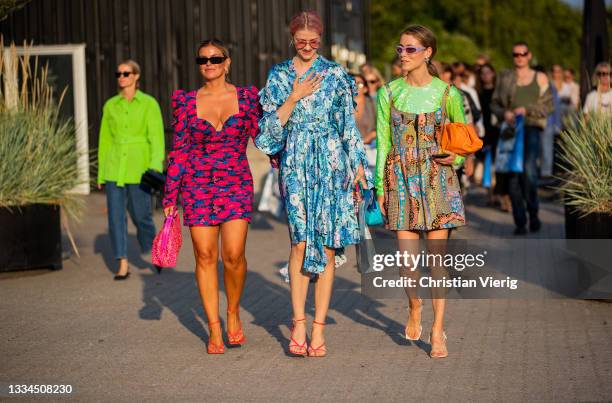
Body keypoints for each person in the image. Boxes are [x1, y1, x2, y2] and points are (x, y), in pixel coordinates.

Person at [255, 10, 370, 357]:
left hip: (332, 162)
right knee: (300, 243)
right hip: (296, 163)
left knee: (330, 244)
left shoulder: (335, 74)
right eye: (301, 41)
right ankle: (299, 322)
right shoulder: (278, 75)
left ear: (320, 40)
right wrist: (293, 96)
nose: (307, 47)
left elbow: (347, 126)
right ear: (292, 39)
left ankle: (319, 328)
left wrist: (358, 166)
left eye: (313, 42)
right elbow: (266, 134)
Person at [162, 39, 262, 354]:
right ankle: (214, 326)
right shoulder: (185, 101)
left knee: (233, 256)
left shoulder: (247, 98)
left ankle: (232, 311)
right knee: (205, 256)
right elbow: (178, 150)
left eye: (216, 58)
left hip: (235, 183)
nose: (209, 64)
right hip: (196, 186)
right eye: (203, 59)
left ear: (227, 62)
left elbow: (267, 137)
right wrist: (170, 195)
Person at [376, 25, 467, 359]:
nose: (403, 54)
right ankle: (414, 305)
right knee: (407, 261)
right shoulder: (389, 93)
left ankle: (438, 329)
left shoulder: (448, 94)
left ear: (428, 52)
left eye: (411, 49)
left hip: (437, 179)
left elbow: (463, 136)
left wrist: (456, 156)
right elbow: (383, 143)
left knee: (438, 261)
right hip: (399, 178)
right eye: (401, 48)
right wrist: (379, 187)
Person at [97, 59, 165, 280]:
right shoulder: (110, 106)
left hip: (140, 168)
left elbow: (156, 137)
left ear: (136, 76)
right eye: (118, 74)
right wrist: (100, 174)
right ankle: (122, 264)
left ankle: (154, 249)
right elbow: (104, 141)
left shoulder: (149, 104)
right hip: (113, 169)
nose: (121, 77)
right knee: (115, 218)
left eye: (126, 73)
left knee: (141, 216)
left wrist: (155, 167)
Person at [491, 41, 552, 235]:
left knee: (529, 172)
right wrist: (505, 113)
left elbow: (547, 107)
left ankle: (533, 213)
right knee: (513, 176)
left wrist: (527, 110)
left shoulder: (540, 77)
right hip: (510, 131)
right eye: (515, 54)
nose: (519, 57)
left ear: (529, 55)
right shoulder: (505, 77)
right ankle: (520, 220)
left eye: (523, 53)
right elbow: (494, 104)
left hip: (531, 128)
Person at [477, 63, 511, 211]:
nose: (486, 76)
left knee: (501, 165)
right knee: (487, 164)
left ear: (493, 74)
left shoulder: (498, 93)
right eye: (483, 73)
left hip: (499, 132)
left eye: (488, 73)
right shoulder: (477, 94)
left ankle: (503, 198)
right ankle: (491, 196)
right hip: (484, 133)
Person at [351, 73, 377, 171]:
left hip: (371, 151)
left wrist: (369, 137)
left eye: (359, 84)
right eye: (352, 83)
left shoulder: (373, 104)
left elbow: (383, 125)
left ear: (365, 88)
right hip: (350, 152)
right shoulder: (342, 106)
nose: (356, 86)